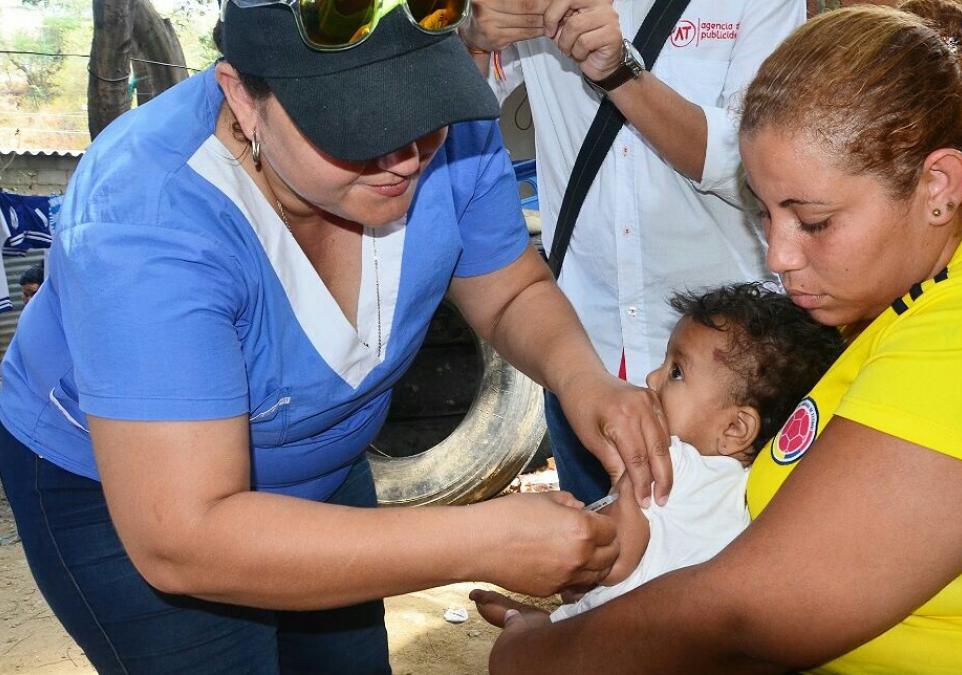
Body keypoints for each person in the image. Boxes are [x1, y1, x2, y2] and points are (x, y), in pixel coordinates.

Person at [485, 1, 962, 672]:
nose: (779, 256)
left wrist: (532, 654)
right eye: (765, 215)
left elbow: (746, 613)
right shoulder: (888, 302)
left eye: (814, 221)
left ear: (939, 185)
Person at [0, 1, 670, 672]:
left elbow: (509, 290)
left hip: (319, 455)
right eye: (359, 128)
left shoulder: (452, 135)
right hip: (130, 492)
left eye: (424, 111)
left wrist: (585, 381)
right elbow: (185, 536)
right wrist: (477, 539)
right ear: (244, 97)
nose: (406, 159)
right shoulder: (147, 213)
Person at [460, 0, 807, 506]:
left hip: (731, 373)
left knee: (736, 559)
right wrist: (470, 36)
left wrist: (620, 74)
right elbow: (451, 126)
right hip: (584, 356)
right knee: (596, 568)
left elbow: (761, 162)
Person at [471, 282, 843, 624]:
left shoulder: (667, 460)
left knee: (548, 637)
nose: (652, 378)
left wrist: (595, 503)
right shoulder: (759, 489)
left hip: (614, 637)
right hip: (688, 646)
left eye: (676, 371)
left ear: (734, 429)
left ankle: (530, 626)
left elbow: (609, 559)